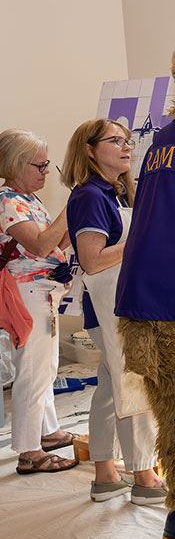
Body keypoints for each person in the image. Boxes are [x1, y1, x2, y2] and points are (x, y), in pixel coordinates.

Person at [62, 118, 167, 505]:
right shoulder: (90, 196)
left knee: (110, 391)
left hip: (120, 305)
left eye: (127, 140)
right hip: (112, 311)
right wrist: (144, 236)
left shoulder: (115, 193)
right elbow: (91, 261)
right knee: (133, 385)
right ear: (89, 150)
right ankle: (143, 476)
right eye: (114, 141)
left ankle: (106, 474)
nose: (125, 146)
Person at [0, 128, 78, 474]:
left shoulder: (29, 200)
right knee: (32, 370)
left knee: (45, 366)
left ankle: (49, 433)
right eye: (41, 165)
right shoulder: (8, 202)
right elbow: (40, 246)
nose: (47, 171)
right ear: (16, 164)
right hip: (26, 291)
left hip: (42, 290)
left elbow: (53, 242)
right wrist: (72, 206)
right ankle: (30, 451)